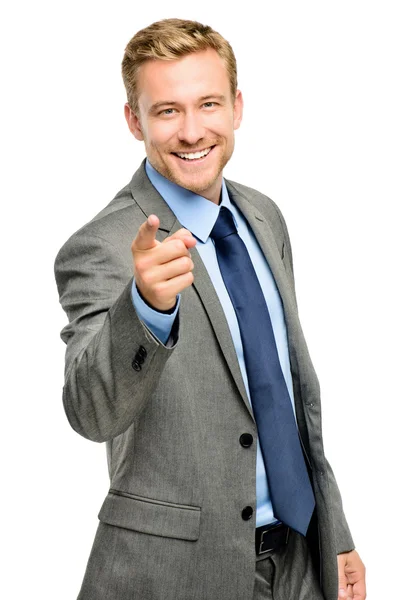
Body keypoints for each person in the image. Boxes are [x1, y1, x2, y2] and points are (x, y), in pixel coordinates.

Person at [54, 18, 366, 600]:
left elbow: (288, 396)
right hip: (176, 575)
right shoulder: (100, 246)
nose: (192, 130)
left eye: (209, 104)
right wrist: (144, 307)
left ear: (237, 107)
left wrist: (337, 535)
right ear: (134, 120)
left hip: (300, 558)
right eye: (167, 110)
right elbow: (89, 412)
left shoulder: (264, 216)